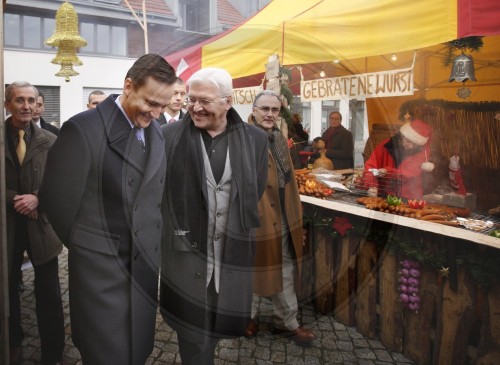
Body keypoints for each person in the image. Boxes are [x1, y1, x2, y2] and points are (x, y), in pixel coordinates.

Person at [39, 54, 177, 365]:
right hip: (100, 274)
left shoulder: (154, 130)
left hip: (142, 269)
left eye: (163, 106)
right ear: (128, 86)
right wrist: (90, 245)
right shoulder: (82, 129)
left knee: (136, 351)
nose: (157, 114)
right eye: (151, 103)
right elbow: (57, 201)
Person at [159, 67, 269, 365]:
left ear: (227, 102)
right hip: (185, 255)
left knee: (220, 322)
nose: (195, 107)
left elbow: (254, 190)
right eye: (191, 99)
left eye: (204, 101)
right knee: (192, 335)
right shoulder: (167, 137)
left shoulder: (256, 140)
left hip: (230, 254)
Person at [246, 90, 315, 345]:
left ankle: (287, 321)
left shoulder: (278, 137)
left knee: (285, 268)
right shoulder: (243, 137)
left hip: (283, 214)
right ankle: (247, 317)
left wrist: (295, 213)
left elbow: (288, 179)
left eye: (274, 110)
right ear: (253, 110)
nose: (270, 114)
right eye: (264, 109)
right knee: (252, 268)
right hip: (257, 215)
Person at [4, 81, 65, 365]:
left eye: (31, 100)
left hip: (41, 228)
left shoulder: (50, 141)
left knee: (50, 294)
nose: (26, 106)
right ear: (7, 104)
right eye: (19, 100)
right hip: (6, 229)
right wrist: (16, 198)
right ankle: (12, 342)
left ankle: (53, 351)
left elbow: (61, 183)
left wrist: (38, 199)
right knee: (7, 291)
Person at [363, 119, 434, 199]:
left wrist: (387, 172)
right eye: (408, 141)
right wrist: (372, 186)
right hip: (384, 195)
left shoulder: (422, 152)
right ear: (403, 136)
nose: (410, 146)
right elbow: (370, 167)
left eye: (415, 144)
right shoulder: (386, 145)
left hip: (410, 197)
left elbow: (408, 173)